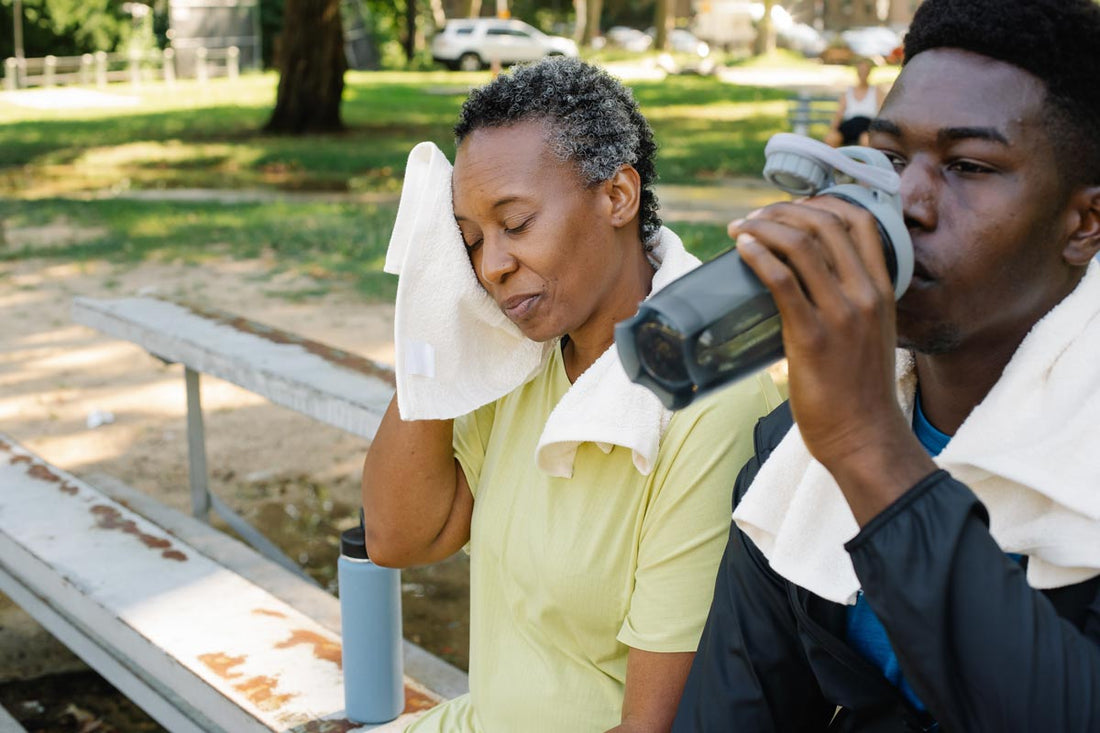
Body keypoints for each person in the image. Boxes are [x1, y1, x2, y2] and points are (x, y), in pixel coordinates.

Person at [674, 0, 1100, 730]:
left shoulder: (844, 431)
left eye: (968, 166)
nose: (905, 202)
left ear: (1084, 223)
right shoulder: (796, 450)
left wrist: (869, 444)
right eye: (890, 158)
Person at [362, 57, 779, 732]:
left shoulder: (708, 401)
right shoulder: (518, 353)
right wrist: (433, 317)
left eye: (516, 224)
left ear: (618, 196)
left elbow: (653, 726)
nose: (491, 265)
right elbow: (398, 536)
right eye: (469, 240)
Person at [825, 58, 885, 148]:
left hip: (867, 126)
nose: (863, 73)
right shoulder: (848, 91)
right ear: (857, 72)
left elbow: (882, 113)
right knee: (831, 139)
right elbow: (839, 114)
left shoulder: (876, 91)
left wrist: (876, 130)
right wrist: (833, 129)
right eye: (861, 71)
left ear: (869, 72)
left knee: (866, 140)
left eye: (865, 71)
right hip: (849, 125)